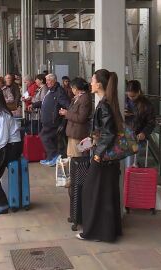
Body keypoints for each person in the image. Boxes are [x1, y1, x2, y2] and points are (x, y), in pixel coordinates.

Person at [77, 69, 124, 242]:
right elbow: (105, 131)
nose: (90, 83)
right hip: (110, 159)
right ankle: (107, 232)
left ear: (100, 84)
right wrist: (91, 139)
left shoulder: (104, 104)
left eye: (93, 80)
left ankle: (94, 232)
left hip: (103, 158)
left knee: (91, 192)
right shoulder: (107, 102)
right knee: (106, 193)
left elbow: (109, 134)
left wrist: (98, 154)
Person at [37, 73, 70, 166]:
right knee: (51, 139)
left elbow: (67, 104)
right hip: (48, 121)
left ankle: (54, 156)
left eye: (49, 80)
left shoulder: (59, 91)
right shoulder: (50, 90)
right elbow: (45, 102)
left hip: (54, 121)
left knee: (44, 137)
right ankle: (50, 158)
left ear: (54, 80)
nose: (47, 82)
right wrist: (35, 105)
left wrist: (63, 113)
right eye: (46, 80)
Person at [59, 77, 92, 158]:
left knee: (76, 156)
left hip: (79, 133)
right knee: (73, 155)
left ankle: (77, 171)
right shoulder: (78, 97)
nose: (72, 90)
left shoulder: (85, 98)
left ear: (77, 88)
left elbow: (81, 118)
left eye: (72, 88)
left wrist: (66, 113)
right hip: (74, 132)